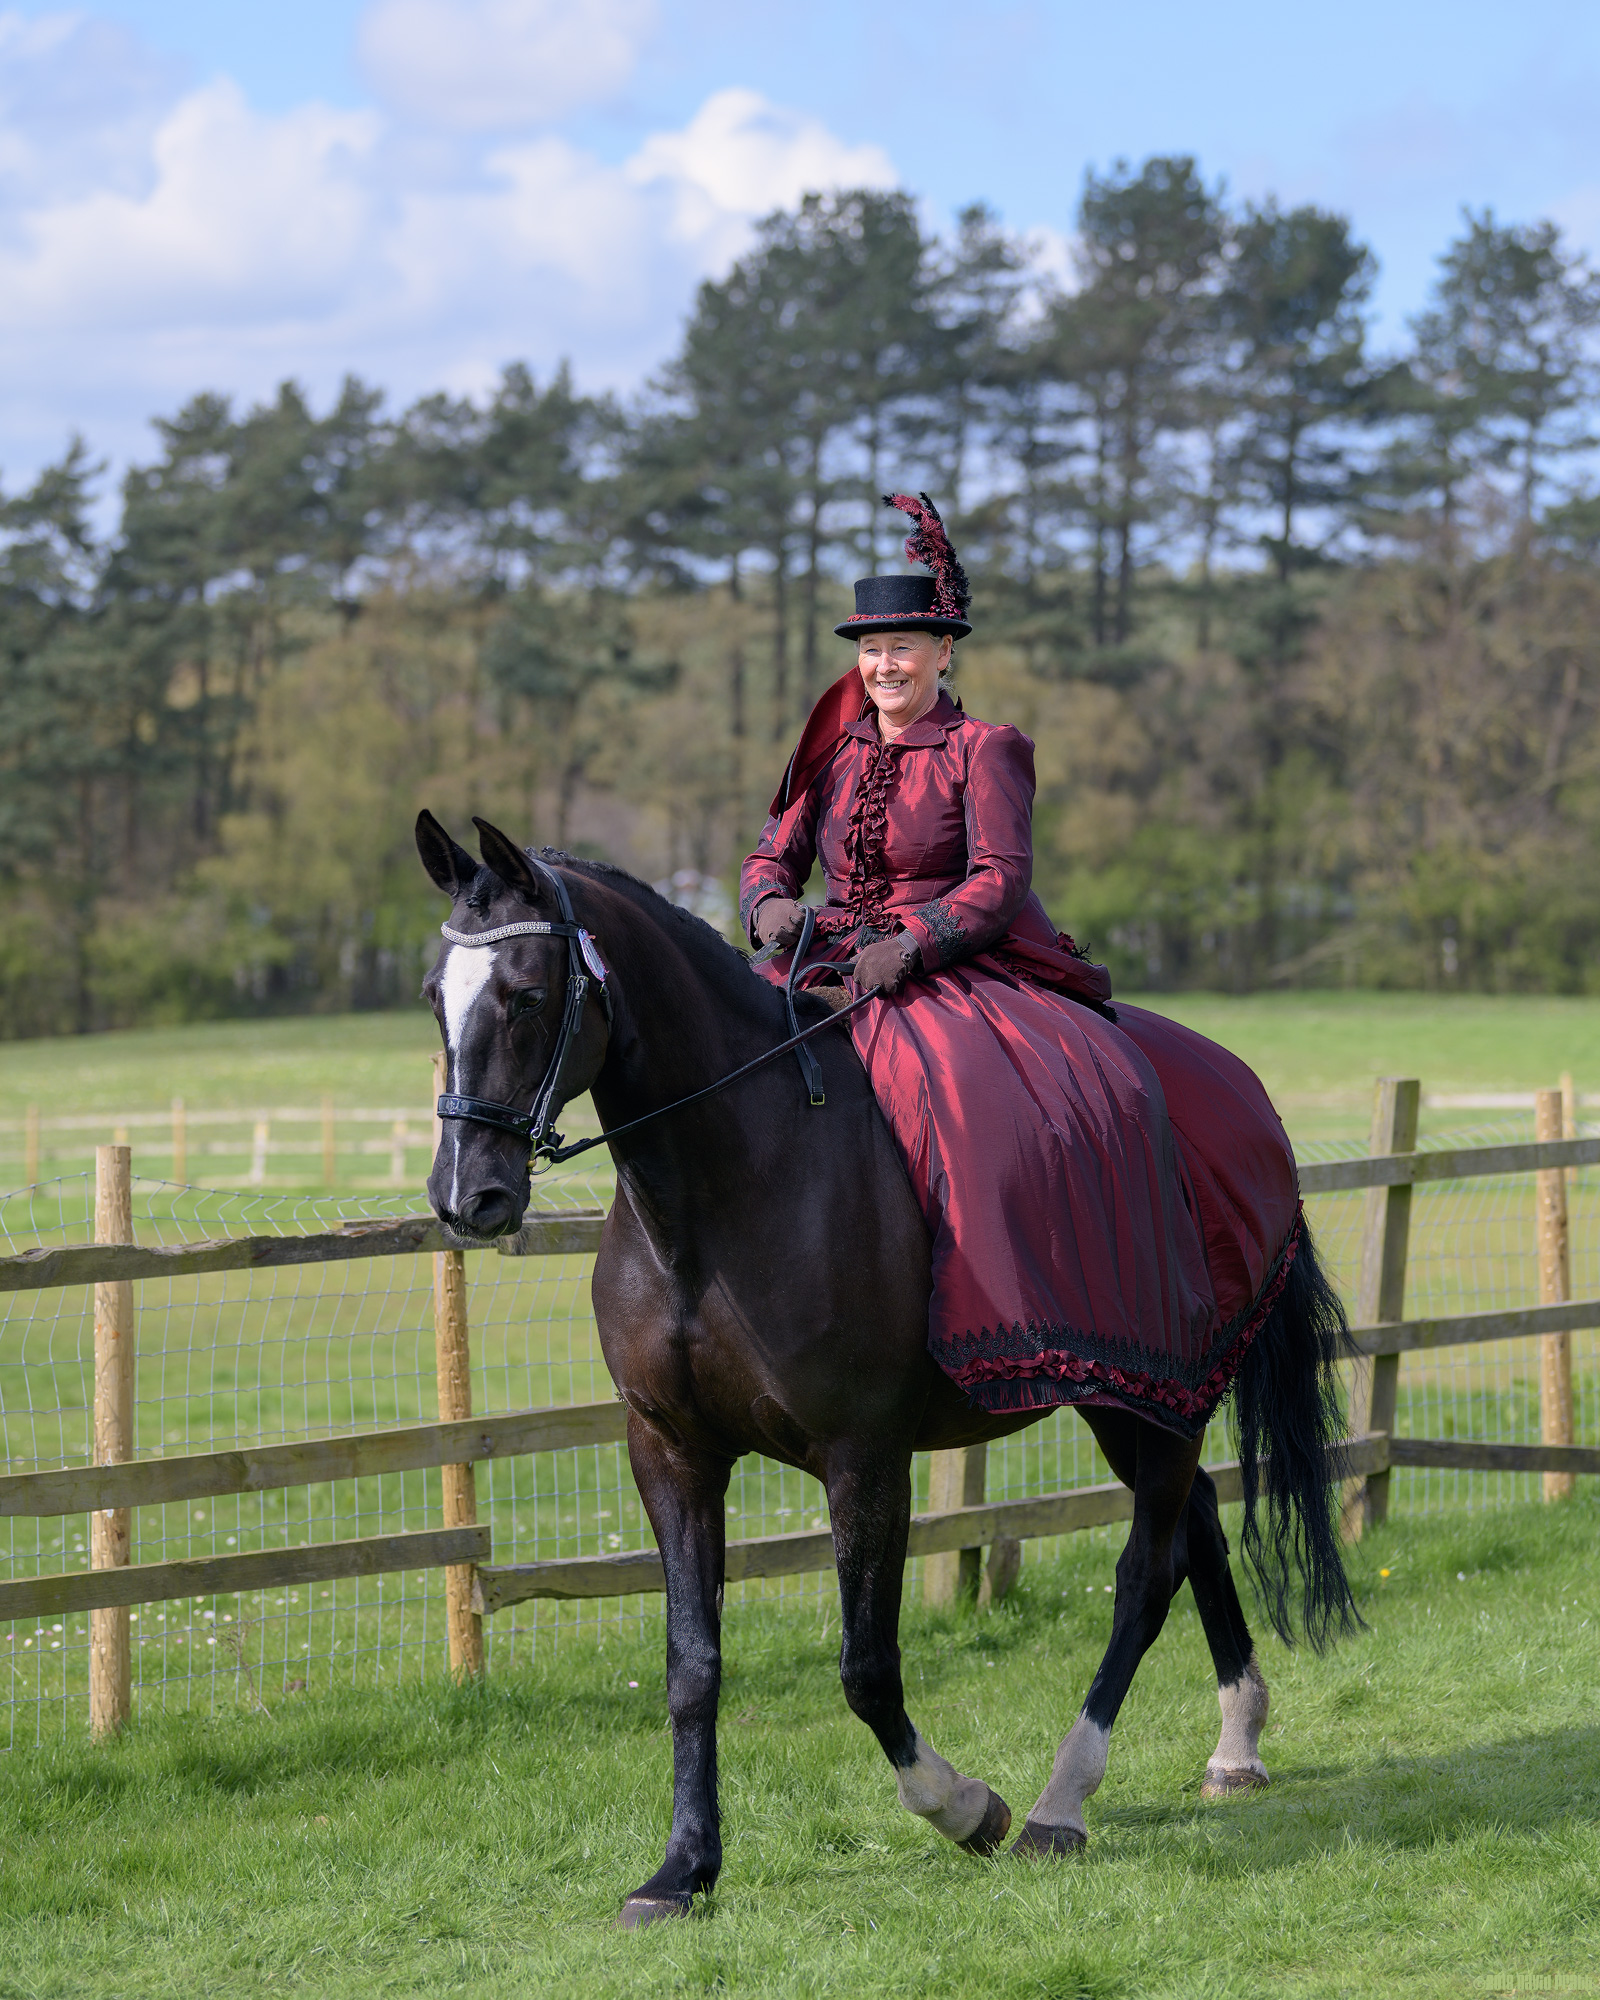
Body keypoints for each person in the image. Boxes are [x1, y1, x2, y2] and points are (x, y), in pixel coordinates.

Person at [739, 494, 1301, 1434]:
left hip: (947, 962)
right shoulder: (832, 756)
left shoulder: (982, 750)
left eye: (906, 647)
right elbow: (770, 856)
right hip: (825, 959)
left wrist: (910, 947)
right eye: (872, 649)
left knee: (959, 1100)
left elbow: (999, 882)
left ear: (945, 651)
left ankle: (996, 1316)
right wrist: (772, 907)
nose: (886, 665)